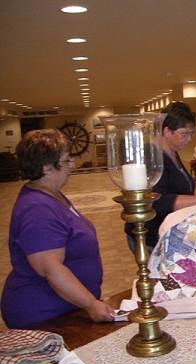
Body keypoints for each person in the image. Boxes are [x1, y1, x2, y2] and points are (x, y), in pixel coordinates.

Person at [1, 129, 115, 328]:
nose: (73, 164)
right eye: (66, 160)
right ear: (46, 167)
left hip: (65, 307)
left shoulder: (51, 194)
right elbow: (50, 269)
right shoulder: (37, 208)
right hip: (43, 313)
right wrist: (90, 304)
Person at [126, 101, 196, 252]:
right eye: (184, 133)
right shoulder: (151, 157)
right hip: (151, 234)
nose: (189, 139)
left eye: (192, 134)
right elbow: (158, 200)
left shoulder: (172, 152)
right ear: (166, 131)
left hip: (170, 229)